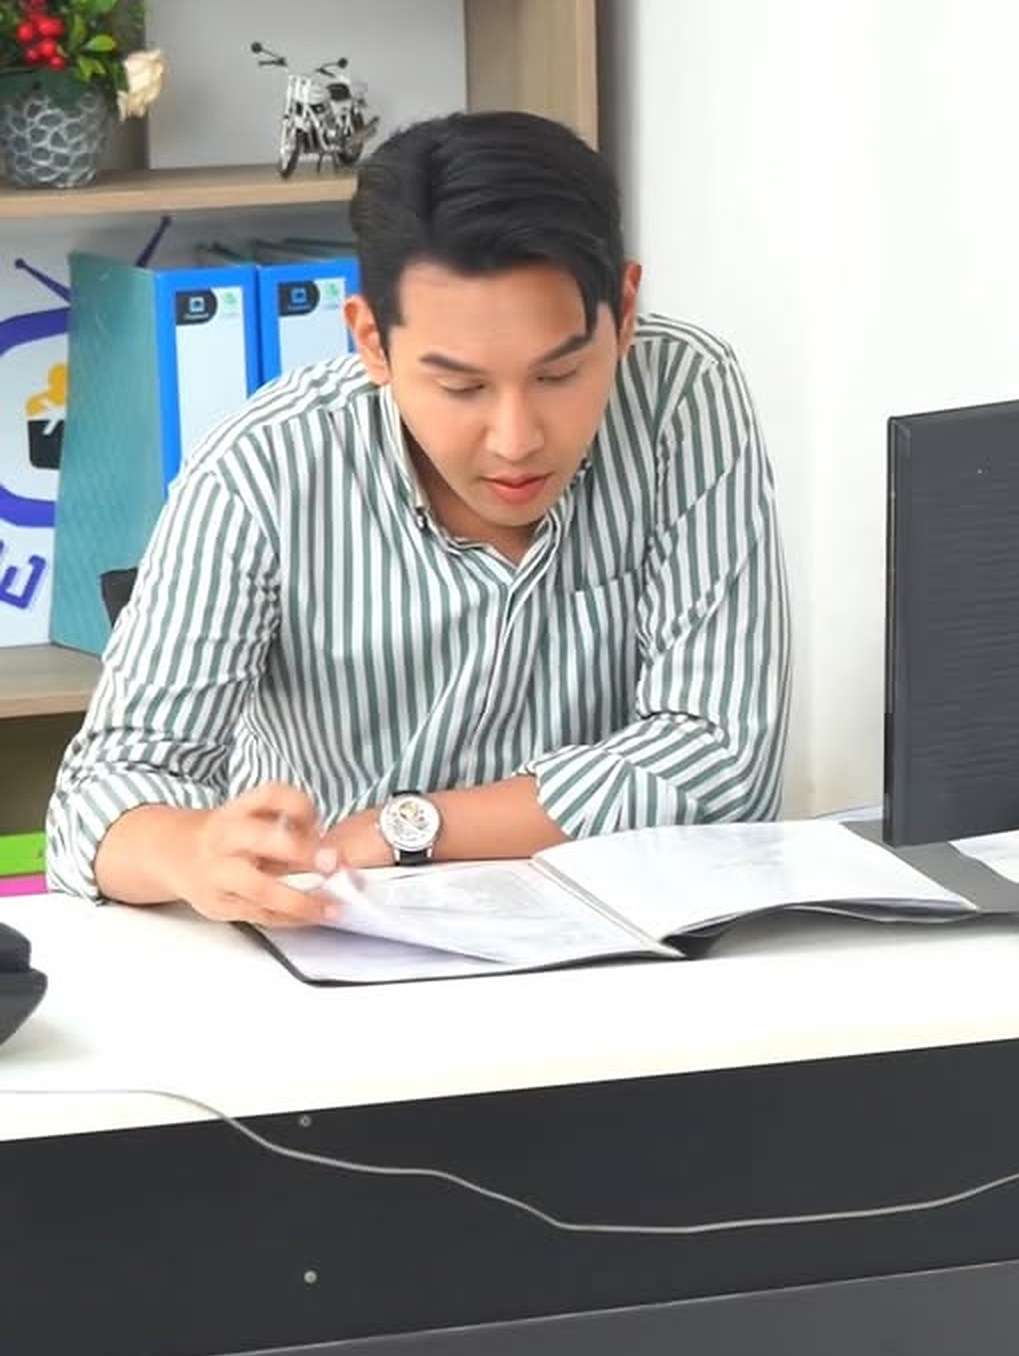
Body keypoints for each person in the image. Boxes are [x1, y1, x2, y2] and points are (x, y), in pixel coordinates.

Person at [46, 108, 791, 938]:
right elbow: (96, 802)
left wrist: (410, 828)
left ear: (623, 310)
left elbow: (724, 759)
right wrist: (193, 851)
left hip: (628, 946)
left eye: (559, 374)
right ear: (371, 339)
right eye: (462, 387)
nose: (516, 439)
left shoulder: (682, 396)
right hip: (339, 943)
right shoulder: (262, 468)